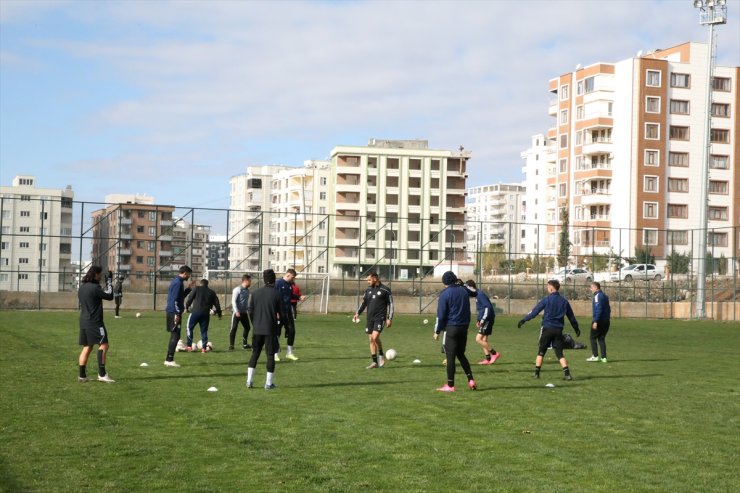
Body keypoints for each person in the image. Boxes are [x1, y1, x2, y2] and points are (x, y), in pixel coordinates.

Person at [518, 279, 581, 380]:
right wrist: (576, 328)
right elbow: (571, 316)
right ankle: (567, 374)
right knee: (559, 353)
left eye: (548, 287)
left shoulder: (546, 299)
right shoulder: (564, 301)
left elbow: (535, 311)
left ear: (551, 288)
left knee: (541, 351)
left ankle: (536, 373)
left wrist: (524, 320)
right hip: (558, 330)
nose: (547, 288)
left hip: (547, 328)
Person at [433, 271, 476, 392]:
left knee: (450, 357)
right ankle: (471, 379)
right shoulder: (463, 291)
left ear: (444, 282)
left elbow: (441, 315)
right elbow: (475, 292)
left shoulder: (445, 294)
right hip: (464, 327)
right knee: (461, 354)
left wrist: (437, 331)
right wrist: (463, 285)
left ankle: (450, 385)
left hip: (451, 327)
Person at [77, 266, 115, 383]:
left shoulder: (81, 288)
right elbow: (110, 296)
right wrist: (109, 281)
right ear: (96, 275)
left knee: (87, 347)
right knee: (104, 345)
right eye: (99, 274)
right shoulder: (95, 288)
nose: (100, 277)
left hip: (84, 321)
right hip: (95, 322)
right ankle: (102, 374)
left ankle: (82, 375)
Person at [246, 269, 282, 390]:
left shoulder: (255, 293)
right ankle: (268, 383)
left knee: (255, 354)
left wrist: (254, 323)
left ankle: (249, 381)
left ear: (264, 279)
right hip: (270, 329)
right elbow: (282, 313)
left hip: (257, 329)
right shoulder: (277, 294)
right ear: (274, 280)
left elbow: (250, 311)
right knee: (270, 355)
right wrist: (282, 326)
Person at [353, 271, 394, 369]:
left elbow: (391, 305)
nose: (368, 282)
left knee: (375, 337)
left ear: (375, 278)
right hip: (370, 318)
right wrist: (357, 313)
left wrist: (390, 318)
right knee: (371, 340)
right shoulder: (368, 290)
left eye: (369, 280)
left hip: (380, 317)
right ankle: (374, 362)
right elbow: (364, 303)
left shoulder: (386, 290)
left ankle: (381, 355)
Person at [464, 280, 500, 365]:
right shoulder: (477, 295)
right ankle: (488, 359)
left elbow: (488, 308)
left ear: (471, 288)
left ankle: (495, 353)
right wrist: (479, 320)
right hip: (485, 318)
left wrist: (483, 320)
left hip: (488, 319)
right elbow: (482, 309)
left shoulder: (480, 295)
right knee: (484, 340)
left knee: (478, 339)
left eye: (467, 289)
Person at [164, 265, 192, 368]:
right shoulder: (178, 283)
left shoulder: (177, 281)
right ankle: (169, 359)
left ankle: (169, 358)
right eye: (188, 274)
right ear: (185, 273)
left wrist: (189, 289)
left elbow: (179, 297)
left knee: (175, 335)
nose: (189, 276)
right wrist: (176, 313)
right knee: (175, 336)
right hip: (174, 312)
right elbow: (175, 300)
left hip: (173, 311)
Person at [274, 268, 306, 361]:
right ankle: (275, 354)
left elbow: (291, 295)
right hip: (279, 312)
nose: (293, 279)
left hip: (288, 312)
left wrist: (299, 297)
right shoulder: (278, 283)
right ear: (288, 275)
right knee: (277, 333)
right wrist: (276, 312)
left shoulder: (290, 285)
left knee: (292, 331)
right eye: (293, 277)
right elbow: (274, 298)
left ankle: (289, 353)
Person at [185, 278, 222, 352]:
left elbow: (190, 298)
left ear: (200, 283)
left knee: (189, 328)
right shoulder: (212, 292)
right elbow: (217, 304)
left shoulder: (197, 288)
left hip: (195, 312)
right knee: (204, 331)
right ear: (207, 284)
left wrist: (186, 307)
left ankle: (189, 346)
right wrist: (219, 314)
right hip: (205, 314)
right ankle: (204, 348)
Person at [587, 281, 611, 363]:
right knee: (601, 338)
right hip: (606, 321)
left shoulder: (597, 296)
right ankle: (604, 358)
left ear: (596, 287)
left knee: (592, 337)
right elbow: (609, 309)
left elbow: (599, 309)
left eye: (591, 287)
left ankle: (595, 356)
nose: (591, 289)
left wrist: (596, 321)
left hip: (599, 320)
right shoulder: (605, 296)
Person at [229, 274, 252, 351]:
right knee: (234, 328)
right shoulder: (237, 289)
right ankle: (231, 346)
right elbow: (233, 301)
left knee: (247, 327)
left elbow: (245, 302)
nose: (251, 282)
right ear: (245, 281)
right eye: (250, 281)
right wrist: (236, 311)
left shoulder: (247, 290)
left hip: (244, 313)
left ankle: (245, 344)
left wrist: (248, 309)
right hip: (236, 313)